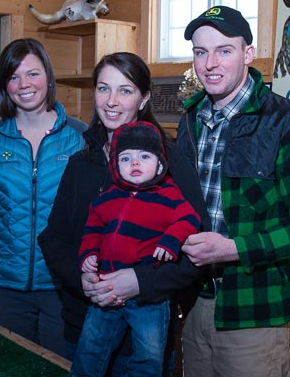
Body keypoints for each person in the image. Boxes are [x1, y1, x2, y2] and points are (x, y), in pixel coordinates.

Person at [176, 6, 290, 377]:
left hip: (254, 311)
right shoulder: (189, 120)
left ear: (248, 54)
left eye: (224, 51)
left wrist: (233, 249)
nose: (210, 63)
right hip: (193, 300)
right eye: (201, 52)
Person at [38, 52, 209, 376]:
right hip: (82, 328)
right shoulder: (81, 163)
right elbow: (53, 237)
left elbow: (197, 249)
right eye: (104, 89)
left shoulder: (168, 162)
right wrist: (84, 279)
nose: (111, 101)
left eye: (125, 90)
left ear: (144, 98)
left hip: (143, 340)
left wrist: (141, 281)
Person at [0, 38, 87, 357]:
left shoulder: (81, 138)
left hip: (65, 290)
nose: (24, 84)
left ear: (48, 76)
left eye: (32, 73)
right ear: (4, 85)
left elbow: (95, 218)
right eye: (13, 77)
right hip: (3, 292)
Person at [71, 121, 201, 377]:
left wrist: (170, 240)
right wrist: (88, 255)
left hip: (148, 299)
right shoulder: (107, 197)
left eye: (145, 156)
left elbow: (189, 219)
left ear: (160, 164)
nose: (135, 163)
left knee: (149, 357)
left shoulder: (169, 195)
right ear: (115, 165)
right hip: (106, 290)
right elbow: (92, 229)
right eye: (126, 158)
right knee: (90, 350)